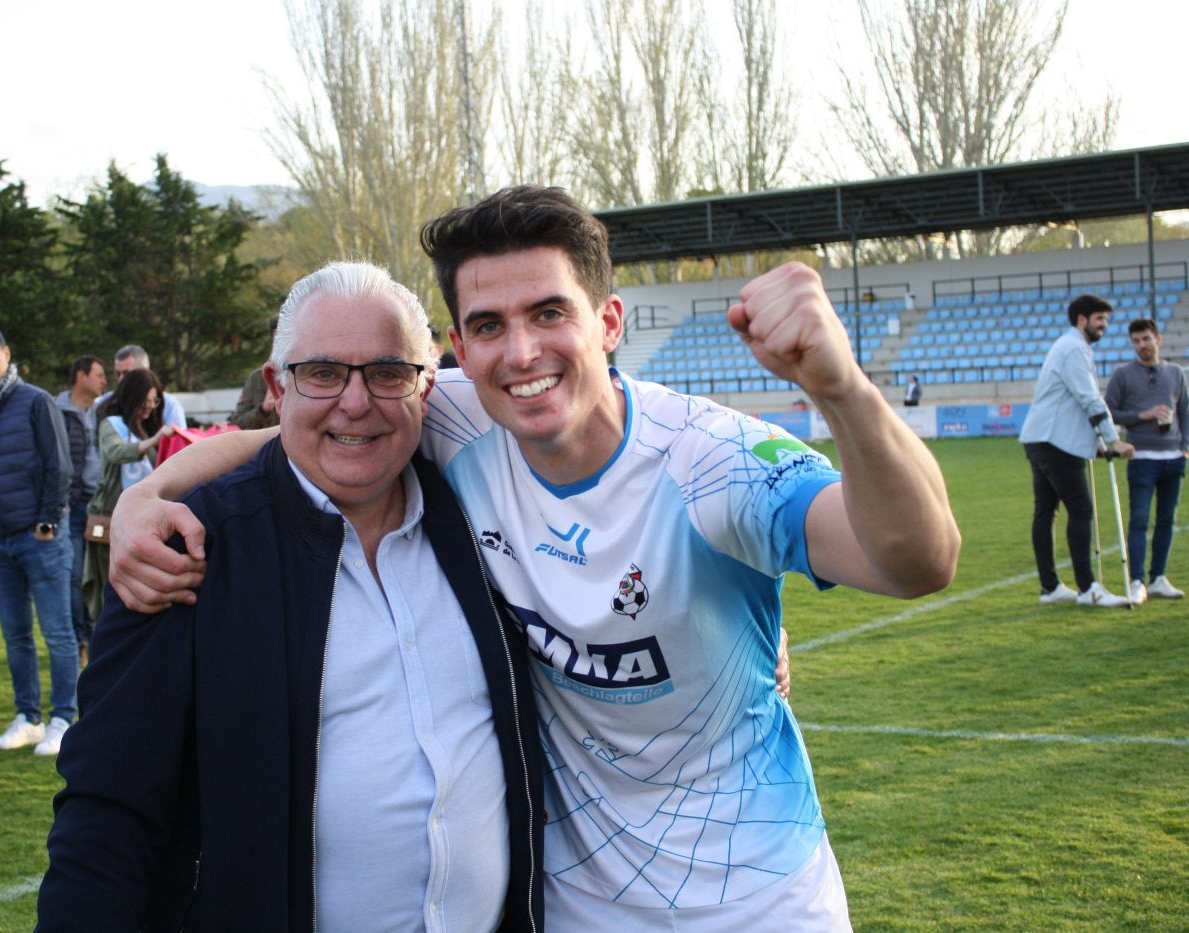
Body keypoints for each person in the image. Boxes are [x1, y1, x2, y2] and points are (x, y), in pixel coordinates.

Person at [108, 186, 960, 929]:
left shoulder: (713, 464)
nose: (520, 353)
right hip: (574, 908)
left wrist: (842, 389)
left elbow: (919, 559)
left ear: (609, 320)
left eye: (549, 313)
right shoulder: (454, 413)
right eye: (489, 326)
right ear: (457, 347)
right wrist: (145, 498)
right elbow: (294, 433)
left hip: (757, 901)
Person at [38, 262, 544, 930]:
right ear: (279, 387)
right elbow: (108, 811)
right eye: (324, 372)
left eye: (388, 372)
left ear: (426, 386)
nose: (356, 401)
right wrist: (146, 495)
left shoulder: (485, 515)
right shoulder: (185, 548)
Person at [0, 324, 77, 755]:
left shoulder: (36, 400)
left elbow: (58, 465)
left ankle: (63, 718)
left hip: (39, 536)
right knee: (16, 636)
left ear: (6, 354)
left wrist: (47, 520)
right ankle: (28, 717)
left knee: (58, 633)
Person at [1019, 295, 1136, 608]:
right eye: (1100, 319)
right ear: (1082, 319)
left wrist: (1095, 444)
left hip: (1041, 437)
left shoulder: (1067, 347)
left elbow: (1070, 402)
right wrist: (1113, 441)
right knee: (1081, 510)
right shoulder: (1074, 349)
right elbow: (1089, 398)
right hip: (1054, 441)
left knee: (1045, 512)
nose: (1104, 326)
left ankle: (1050, 587)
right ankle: (1088, 588)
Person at [80, 368, 175, 624]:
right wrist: (155, 440)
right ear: (132, 398)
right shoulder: (111, 425)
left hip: (142, 523)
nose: (150, 408)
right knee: (110, 591)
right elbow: (117, 453)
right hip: (109, 521)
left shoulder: (144, 428)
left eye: (154, 402)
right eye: (146, 402)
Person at [1104, 317, 1187, 603]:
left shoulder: (1176, 373)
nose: (1142, 346)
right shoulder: (1123, 375)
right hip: (1142, 457)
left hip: (1173, 457)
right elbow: (1110, 413)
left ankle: (1158, 578)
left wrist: (1185, 448)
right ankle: (1137, 581)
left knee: (1167, 519)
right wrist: (1143, 415)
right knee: (1139, 519)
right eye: (1136, 341)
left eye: (1146, 339)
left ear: (1158, 340)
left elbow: (1184, 412)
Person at [55, 355, 107, 662]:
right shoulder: (57, 412)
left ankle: (98, 636)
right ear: (80, 377)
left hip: (98, 507)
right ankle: (80, 639)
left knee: (99, 572)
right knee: (73, 575)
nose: (104, 381)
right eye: (99, 375)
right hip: (73, 507)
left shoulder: (103, 412)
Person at [111, 345, 187, 427]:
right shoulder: (106, 404)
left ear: (145, 372)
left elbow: (179, 439)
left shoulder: (169, 405)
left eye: (127, 374)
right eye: (118, 374)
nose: (121, 379)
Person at [226, 315, 281, 429]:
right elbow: (236, 422)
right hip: (266, 445)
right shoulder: (257, 378)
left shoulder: (309, 376)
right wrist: (263, 409)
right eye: (279, 341)